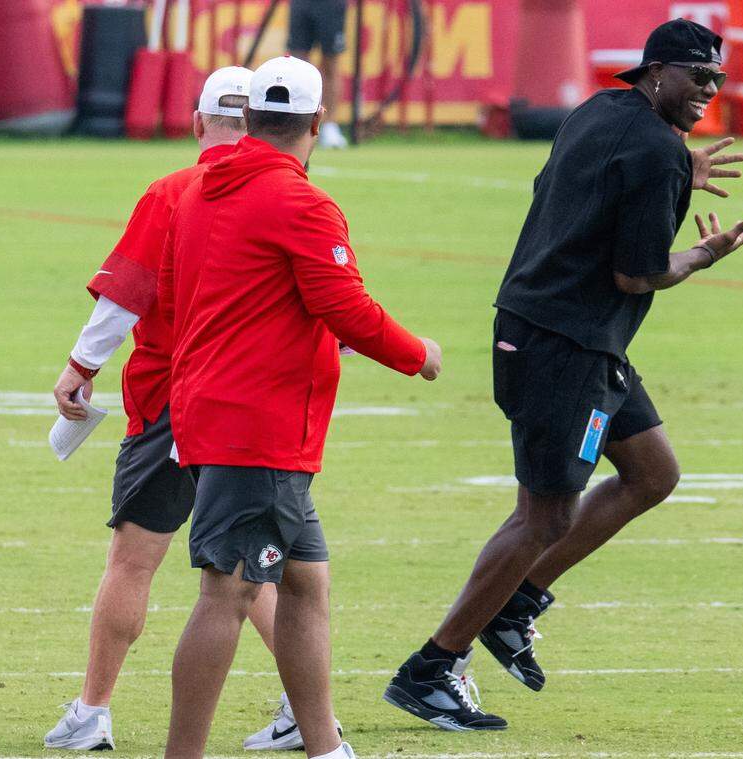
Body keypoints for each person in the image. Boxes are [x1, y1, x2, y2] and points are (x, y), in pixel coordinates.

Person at [383, 19, 743, 730]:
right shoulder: (657, 152)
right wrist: (703, 253)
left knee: (653, 471)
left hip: (557, 332)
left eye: (718, 80)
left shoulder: (599, 111)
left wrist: (681, 173)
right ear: (655, 72)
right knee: (545, 514)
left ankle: (515, 606)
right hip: (565, 347)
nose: (709, 91)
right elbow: (639, 272)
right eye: (697, 77)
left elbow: (570, 179)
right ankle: (431, 668)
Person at [159, 55, 441, 759]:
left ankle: (325, 747)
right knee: (226, 591)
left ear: (248, 118)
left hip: (215, 410)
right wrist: (417, 353)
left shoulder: (199, 191)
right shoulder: (300, 201)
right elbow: (344, 306)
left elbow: (196, 294)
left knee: (305, 580)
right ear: (318, 121)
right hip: (261, 424)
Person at [46, 66, 301, 751]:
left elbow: (125, 293)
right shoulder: (289, 193)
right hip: (253, 409)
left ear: (197, 123)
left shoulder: (174, 191)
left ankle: (93, 709)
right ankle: (305, 707)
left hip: (172, 398)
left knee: (133, 560)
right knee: (250, 565)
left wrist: (79, 368)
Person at [288, 0, 348, 148]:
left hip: (331, 5)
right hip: (301, 4)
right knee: (298, 64)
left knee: (330, 64)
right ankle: (299, 122)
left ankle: (330, 126)